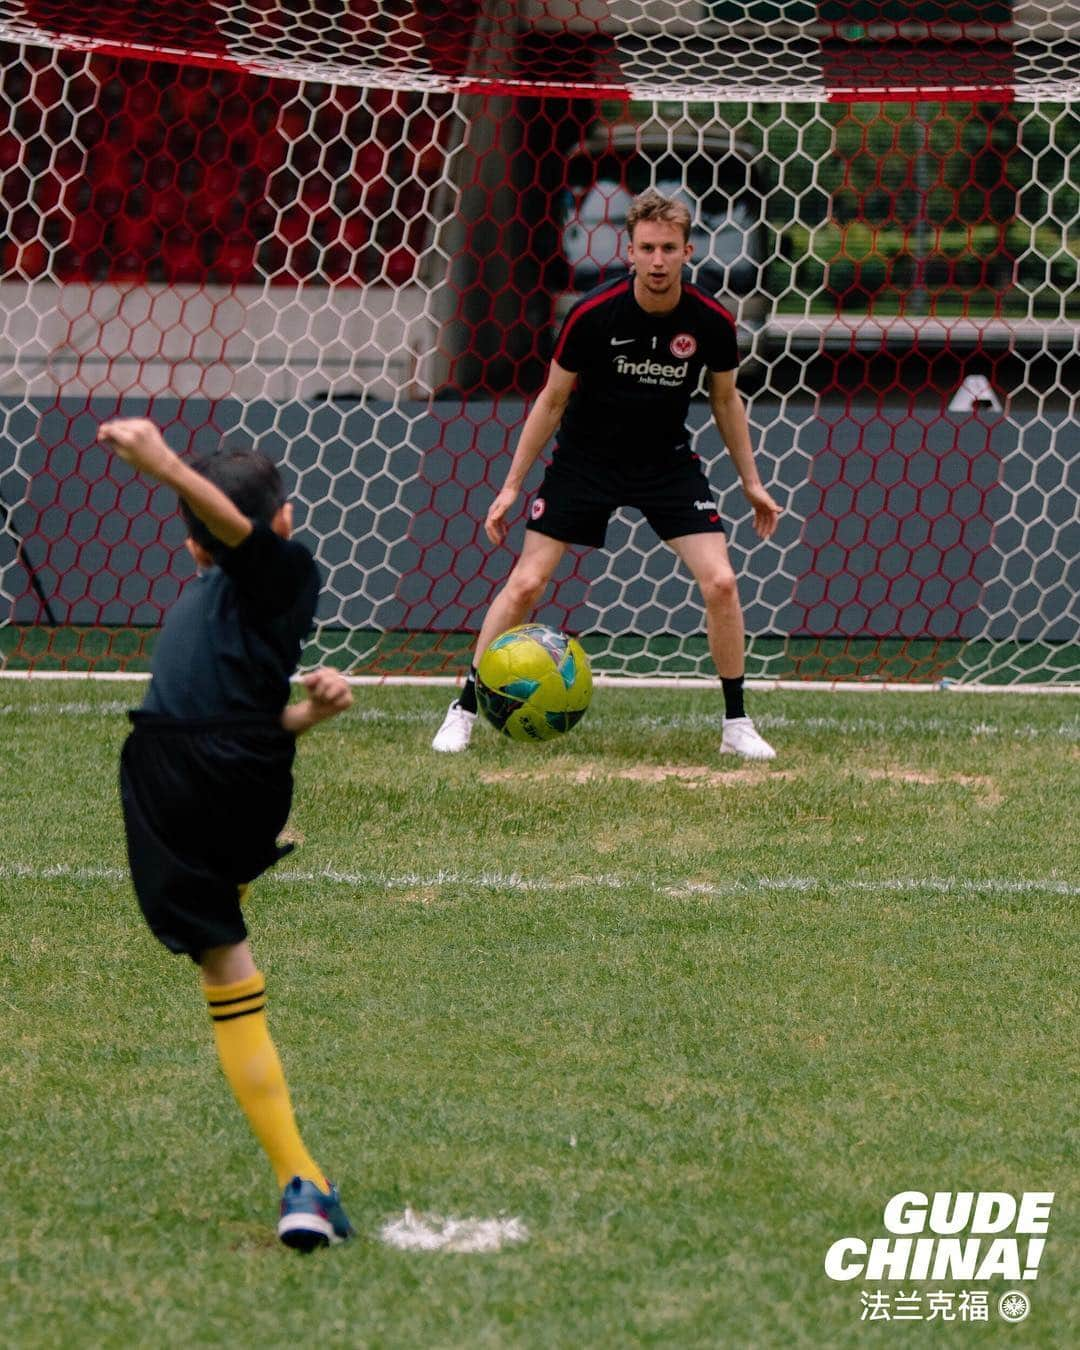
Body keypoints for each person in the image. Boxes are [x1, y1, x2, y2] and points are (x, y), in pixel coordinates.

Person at [97, 417, 354, 1253]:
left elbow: (237, 539)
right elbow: (242, 717)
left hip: (173, 778)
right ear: (284, 516)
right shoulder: (234, 581)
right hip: (223, 766)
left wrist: (165, 466)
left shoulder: (281, 575)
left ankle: (302, 1181)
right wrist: (305, 716)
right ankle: (305, 1182)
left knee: (224, 965)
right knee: (225, 928)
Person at [433, 187, 782, 758]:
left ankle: (736, 724)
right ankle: (464, 709)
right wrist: (511, 486)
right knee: (526, 583)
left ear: (689, 252)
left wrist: (752, 482)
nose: (659, 260)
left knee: (720, 581)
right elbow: (550, 400)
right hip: (584, 462)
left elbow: (725, 401)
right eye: (648, 248)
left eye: (670, 248)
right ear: (631, 252)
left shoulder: (713, 321)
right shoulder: (592, 315)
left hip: (665, 462)